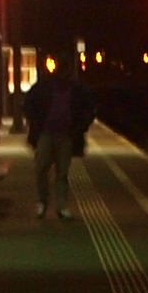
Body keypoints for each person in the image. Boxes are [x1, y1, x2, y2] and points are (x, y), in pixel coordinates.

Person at [20, 62, 92, 219]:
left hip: (65, 135)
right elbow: (28, 104)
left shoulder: (75, 90)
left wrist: (80, 127)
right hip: (47, 134)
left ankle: (59, 205)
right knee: (41, 168)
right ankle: (44, 201)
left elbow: (89, 109)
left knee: (61, 172)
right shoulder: (46, 88)